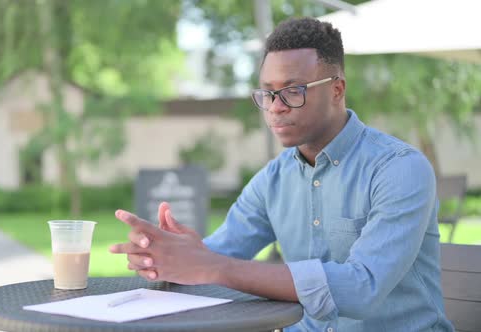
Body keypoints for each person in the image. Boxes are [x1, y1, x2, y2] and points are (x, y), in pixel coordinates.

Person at [109, 17, 454, 331]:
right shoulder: (271, 181)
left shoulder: (400, 169)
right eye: (268, 92)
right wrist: (170, 255)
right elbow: (219, 257)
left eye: (293, 90)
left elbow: (361, 288)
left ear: (337, 89)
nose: (276, 106)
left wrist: (210, 265)